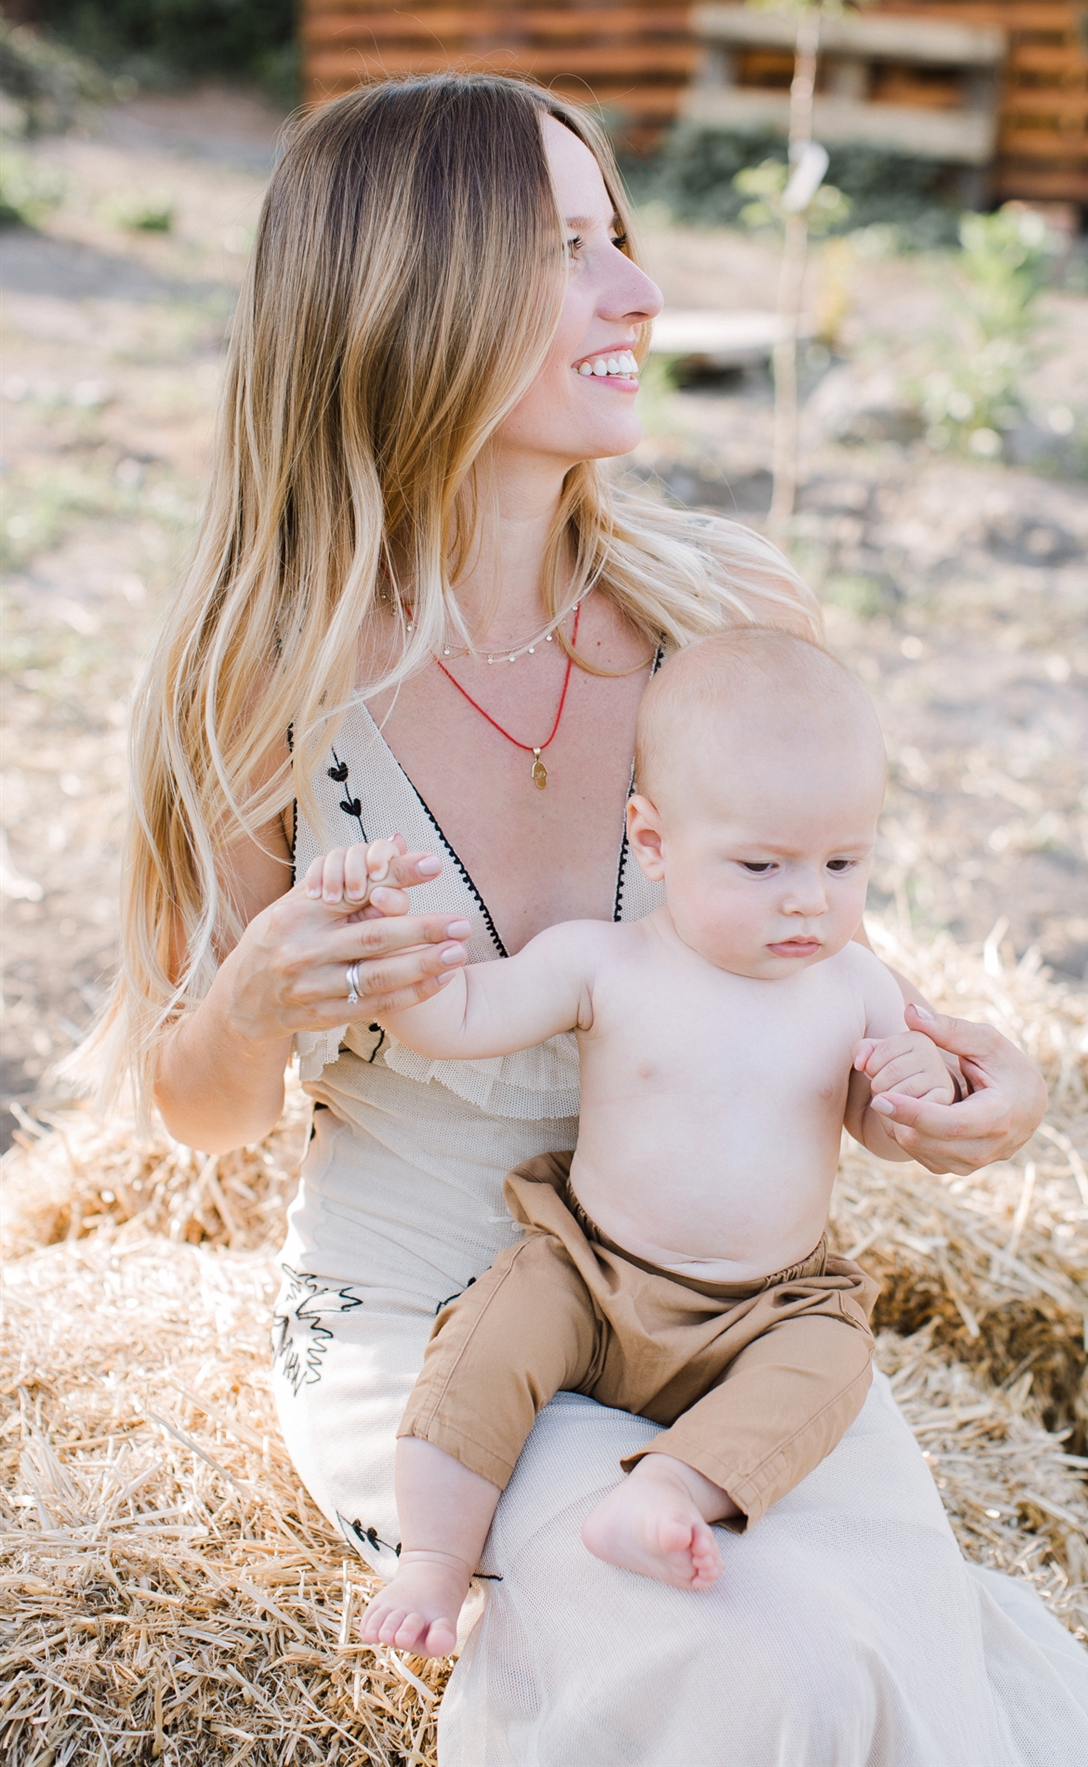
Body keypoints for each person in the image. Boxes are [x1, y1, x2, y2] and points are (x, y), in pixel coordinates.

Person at [93, 71, 1088, 1764]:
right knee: (765, 1672)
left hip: (730, 1314)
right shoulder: (261, 679)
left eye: (621, 238)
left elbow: (809, 965)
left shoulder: (727, 611)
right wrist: (251, 995)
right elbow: (197, 1108)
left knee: (895, 1661)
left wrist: (970, 1085)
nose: (642, 293)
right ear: (412, 296)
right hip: (440, 1331)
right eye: (568, 251)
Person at [328, 630, 951, 1653]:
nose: (808, 896)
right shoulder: (606, 962)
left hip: (764, 1300)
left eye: (845, 862)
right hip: (591, 1271)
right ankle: (435, 1561)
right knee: (484, 1342)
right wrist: (399, 947)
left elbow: (887, 1128)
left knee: (833, 1360)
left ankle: (666, 1489)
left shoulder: (856, 988)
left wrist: (914, 1090)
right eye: (761, 864)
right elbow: (460, 1017)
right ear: (652, 842)